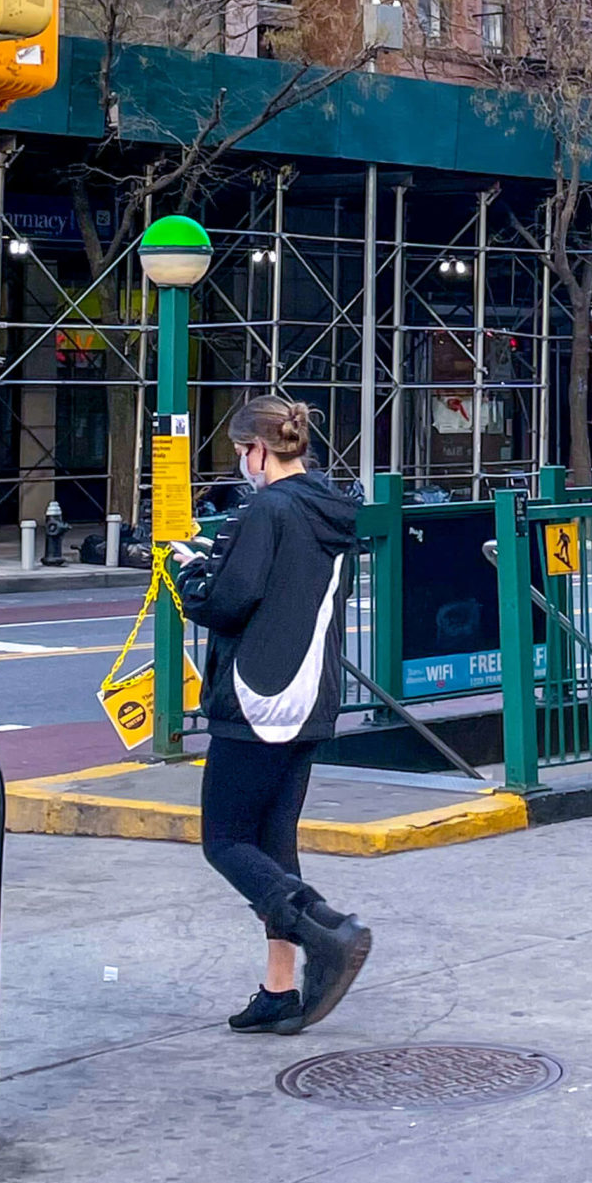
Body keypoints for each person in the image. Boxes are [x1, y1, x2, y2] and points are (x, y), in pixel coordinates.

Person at [174, 396, 372, 1033]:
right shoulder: (331, 506)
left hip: (256, 697)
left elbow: (229, 602)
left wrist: (194, 576)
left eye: (241, 454)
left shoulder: (268, 508)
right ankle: (279, 988)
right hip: (311, 697)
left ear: (257, 450)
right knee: (273, 846)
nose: (242, 466)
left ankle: (329, 931)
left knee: (226, 841)